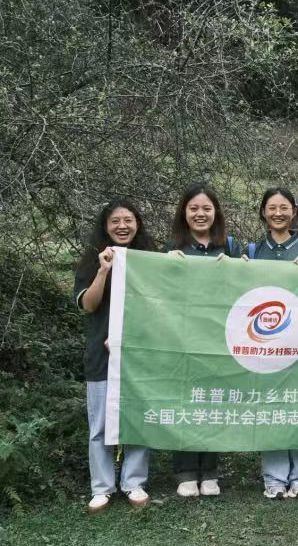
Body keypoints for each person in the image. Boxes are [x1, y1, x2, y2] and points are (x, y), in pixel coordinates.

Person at [74, 198, 157, 513]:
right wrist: (103, 271)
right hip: (101, 354)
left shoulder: (150, 259)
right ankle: (102, 487)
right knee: (99, 424)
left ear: (137, 224)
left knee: (138, 420)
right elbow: (88, 305)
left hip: (140, 355)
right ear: (105, 226)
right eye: (115, 221)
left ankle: (134, 482)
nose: (122, 226)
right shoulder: (93, 260)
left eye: (128, 220)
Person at [165, 183, 241, 498]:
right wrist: (166, 265)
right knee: (186, 401)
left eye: (206, 208)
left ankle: (209, 471)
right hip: (183, 338)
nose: (200, 214)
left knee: (213, 403)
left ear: (216, 213)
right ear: (184, 212)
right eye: (194, 208)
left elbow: (244, 286)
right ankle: (185, 472)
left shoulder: (230, 246)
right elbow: (161, 291)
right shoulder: (173, 248)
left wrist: (239, 267)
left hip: (220, 338)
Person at [243, 186, 298, 500]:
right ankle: (274, 476)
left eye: (284, 207)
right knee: (271, 406)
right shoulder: (252, 250)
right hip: (264, 342)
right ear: (263, 212)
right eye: (272, 208)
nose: (278, 213)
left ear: (293, 212)